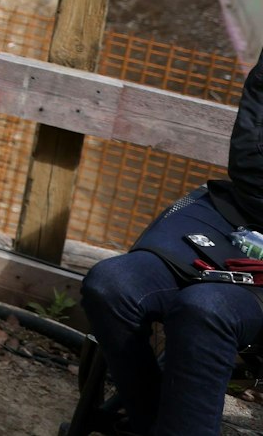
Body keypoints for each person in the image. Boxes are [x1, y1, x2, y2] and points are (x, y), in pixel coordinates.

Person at [79, 46, 263, 436]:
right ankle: (152, 422)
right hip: (239, 214)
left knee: (206, 308)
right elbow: (250, 155)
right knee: (112, 285)